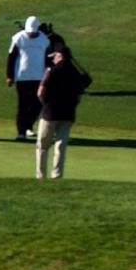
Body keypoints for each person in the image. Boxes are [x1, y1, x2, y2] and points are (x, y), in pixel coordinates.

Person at [33, 41, 88, 179]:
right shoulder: (75, 73)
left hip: (49, 113)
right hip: (68, 114)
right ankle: (57, 175)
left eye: (55, 56)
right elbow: (80, 94)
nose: (53, 58)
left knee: (43, 146)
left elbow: (40, 92)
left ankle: (41, 176)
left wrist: (44, 104)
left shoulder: (51, 70)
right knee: (60, 146)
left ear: (60, 55)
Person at [5, 15, 49, 141]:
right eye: (29, 32)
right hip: (22, 76)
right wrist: (9, 76)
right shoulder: (18, 38)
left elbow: (47, 59)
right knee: (22, 105)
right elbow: (11, 58)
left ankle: (28, 125)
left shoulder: (44, 40)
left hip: (39, 77)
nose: (31, 35)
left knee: (38, 104)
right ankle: (21, 132)